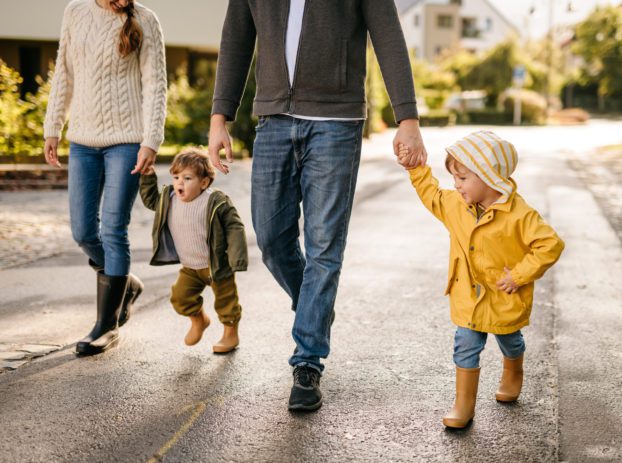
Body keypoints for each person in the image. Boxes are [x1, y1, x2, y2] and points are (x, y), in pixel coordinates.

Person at [208, 0, 427, 412]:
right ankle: (315, 306)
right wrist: (221, 117)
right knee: (271, 238)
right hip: (273, 118)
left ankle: (307, 360)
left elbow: (389, 37)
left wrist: (407, 118)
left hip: (336, 122)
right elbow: (236, 38)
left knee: (325, 245)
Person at [397, 131, 565, 429]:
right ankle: (463, 405)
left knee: (510, 341)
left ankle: (513, 371)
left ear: (489, 177)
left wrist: (519, 275)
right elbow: (432, 194)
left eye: (462, 179)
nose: (456, 185)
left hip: (504, 298)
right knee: (465, 345)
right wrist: (416, 169)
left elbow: (550, 244)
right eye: (454, 178)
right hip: (469, 298)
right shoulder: (456, 206)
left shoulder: (520, 215)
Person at [43, 0, 167, 355]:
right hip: (82, 142)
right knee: (82, 230)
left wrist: (151, 142)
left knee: (113, 228)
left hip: (127, 143)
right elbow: (63, 73)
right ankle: (124, 282)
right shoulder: (75, 12)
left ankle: (105, 325)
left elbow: (156, 86)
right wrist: (53, 126)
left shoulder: (145, 19)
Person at [139, 148, 248, 353]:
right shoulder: (169, 199)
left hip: (217, 266)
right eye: (176, 177)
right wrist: (147, 177)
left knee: (227, 303)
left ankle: (230, 335)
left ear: (204, 183)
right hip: (190, 267)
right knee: (180, 297)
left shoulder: (215, 201)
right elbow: (150, 199)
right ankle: (199, 320)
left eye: (187, 178)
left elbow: (235, 226)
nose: (179, 182)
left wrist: (237, 257)